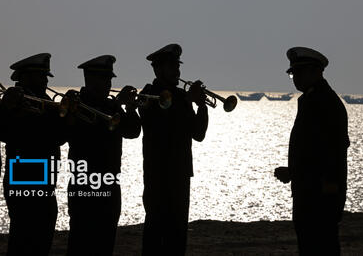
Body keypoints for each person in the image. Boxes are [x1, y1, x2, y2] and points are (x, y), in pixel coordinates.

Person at [274, 47, 350, 256]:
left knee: (319, 245)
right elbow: (312, 150)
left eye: (299, 72)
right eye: (293, 73)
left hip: (319, 195)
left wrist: (297, 173)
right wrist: (294, 171)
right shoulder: (313, 100)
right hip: (311, 191)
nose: (295, 78)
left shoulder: (323, 102)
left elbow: (329, 153)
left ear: (316, 71)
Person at [65, 55, 141, 256]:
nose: (108, 84)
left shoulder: (112, 106)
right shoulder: (76, 104)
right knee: (81, 243)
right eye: (104, 80)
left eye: (109, 80)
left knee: (106, 242)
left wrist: (130, 107)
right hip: (84, 184)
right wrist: (116, 103)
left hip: (110, 184)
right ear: (90, 80)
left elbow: (132, 131)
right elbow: (85, 133)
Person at [139, 44, 208, 255]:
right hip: (158, 174)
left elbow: (198, 134)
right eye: (171, 66)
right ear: (157, 69)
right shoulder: (149, 94)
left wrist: (201, 106)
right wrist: (187, 101)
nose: (177, 71)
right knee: (156, 230)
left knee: (178, 233)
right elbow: (161, 126)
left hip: (180, 173)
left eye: (177, 66)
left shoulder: (180, 95)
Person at [0, 53, 64, 256]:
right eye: (41, 76)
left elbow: (60, 137)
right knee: (23, 239)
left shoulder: (45, 101)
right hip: (23, 180)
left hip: (46, 180)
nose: (46, 81)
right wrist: (12, 109)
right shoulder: (11, 101)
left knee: (42, 238)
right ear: (26, 76)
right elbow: (3, 130)